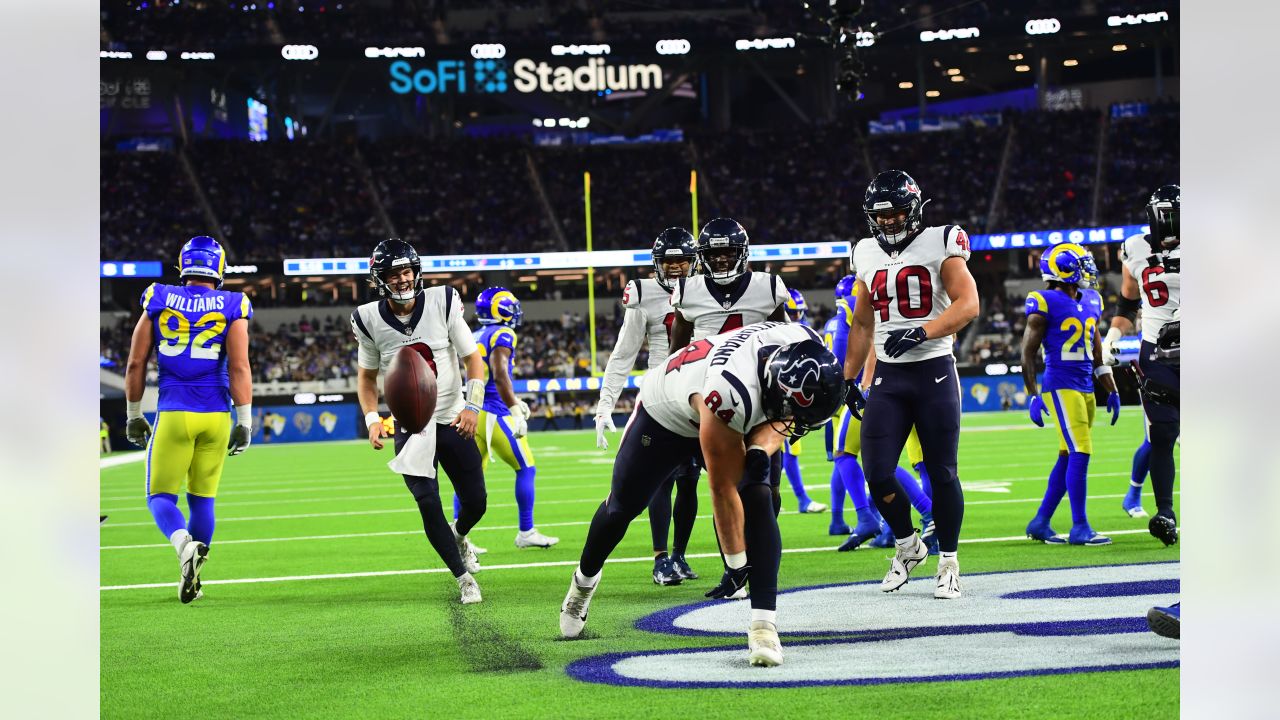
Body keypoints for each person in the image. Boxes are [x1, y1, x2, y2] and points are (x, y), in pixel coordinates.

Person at [559, 321, 844, 668]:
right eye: (790, 413)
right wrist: (737, 563)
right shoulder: (731, 393)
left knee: (760, 497)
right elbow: (722, 490)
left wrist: (758, 450)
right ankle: (583, 583)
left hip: (737, 398)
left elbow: (780, 422)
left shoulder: (806, 342)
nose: (790, 423)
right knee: (623, 507)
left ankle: (763, 626)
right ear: (775, 390)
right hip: (667, 414)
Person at [842, 170, 979, 599]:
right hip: (889, 374)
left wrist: (924, 332)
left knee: (942, 472)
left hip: (934, 369)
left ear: (915, 209)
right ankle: (907, 546)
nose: (887, 222)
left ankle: (950, 562)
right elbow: (863, 322)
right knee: (877, 472)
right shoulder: (864, 251)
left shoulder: (941, 240)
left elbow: (969, 302)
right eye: (879, 216)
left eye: (896, 213)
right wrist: (849, 378)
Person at [351, 238, 488, 605]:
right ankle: (463, 579)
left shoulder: (442, 301)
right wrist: (371, 419)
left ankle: (460, 536)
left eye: (407, 271)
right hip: (411, 426)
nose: (402, 279)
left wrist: (472, 407)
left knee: (476, 503)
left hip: (452, 417)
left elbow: (473, 360)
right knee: (429, 502)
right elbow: (366, 379)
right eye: (394, 274)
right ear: (380, 279)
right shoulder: (367, 318)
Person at [123, 236, 254, 604]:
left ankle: (183, 546)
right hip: (216, 415)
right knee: (203, 501)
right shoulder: (234, 303)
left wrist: (134, 413)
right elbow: (241, 366)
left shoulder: (159, 296)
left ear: (184, 265)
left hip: (175, 412)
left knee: (160, 496)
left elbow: (136, 362)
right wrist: (244, 420)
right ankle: (193, 578)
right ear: (219, 268)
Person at [668, 217, 792, 597]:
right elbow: (678, 351)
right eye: (714, 255)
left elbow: (787, 341)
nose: (721, 261)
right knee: (725, 488)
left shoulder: (767, 285)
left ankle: (762, 561)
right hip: (713, 402)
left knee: (764, 489)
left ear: (742, 253)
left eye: (727, 253)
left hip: (760, 399)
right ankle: (735, 570)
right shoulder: (687, 290)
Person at [593, 228, 701, 585]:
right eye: (668, 262)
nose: (675, 269)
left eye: (682, 261)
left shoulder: (706, 291)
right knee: (663, 480)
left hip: (700, 392)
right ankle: (661, 558)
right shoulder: (644, 295)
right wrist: (604, 404)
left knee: (689, 482)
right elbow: (623, 354)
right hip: (661, 394)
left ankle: (681, 555)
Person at [826, 274, 935, 553]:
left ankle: (875, 517)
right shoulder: (910, 300)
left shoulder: (852, 303)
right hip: (918, 383)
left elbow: (843, 349)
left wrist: (855, 383)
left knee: (850, 455)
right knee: (914, 462)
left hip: (872, 388)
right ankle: (894, 526)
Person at [1021, 243, 1121, 545]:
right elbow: (1027, 353)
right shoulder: (1044, 300)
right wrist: (1032, 394)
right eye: (1082, 264)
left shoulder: (1092, 299)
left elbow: (1096, 349)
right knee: (1081, 451)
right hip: (1060, 384)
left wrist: (1112, 389)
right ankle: (1080, 526)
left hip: (1086, 386)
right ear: (1065, 268)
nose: (1088, 270)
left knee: (1067, 456)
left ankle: (1040, 521)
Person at [1102, 184, 1181, 546]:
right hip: (1158, 355)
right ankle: (1165, 511)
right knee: (1162, 436)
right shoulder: (1134, 248)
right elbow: (1128, 304)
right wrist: (1113, 336)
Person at [466, 287, 555, 549]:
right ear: (500, 308)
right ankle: (526, 531)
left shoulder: (475, 334)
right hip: (495, 412)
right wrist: (514, 408)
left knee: (470, 478)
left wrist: (515, 401)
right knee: (526, 468)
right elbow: (500, 374)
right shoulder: (503, 333)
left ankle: (459, 537)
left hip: (475, 411)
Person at [778, 288, 826, 515]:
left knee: (788, 450)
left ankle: (799, 499)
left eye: (798, 313)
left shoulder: (802, 332)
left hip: (794, 398)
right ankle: (801, 499)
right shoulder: (776, 332)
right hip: (777, 399)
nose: (796, 317)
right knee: (782, 451)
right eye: (792, 313)